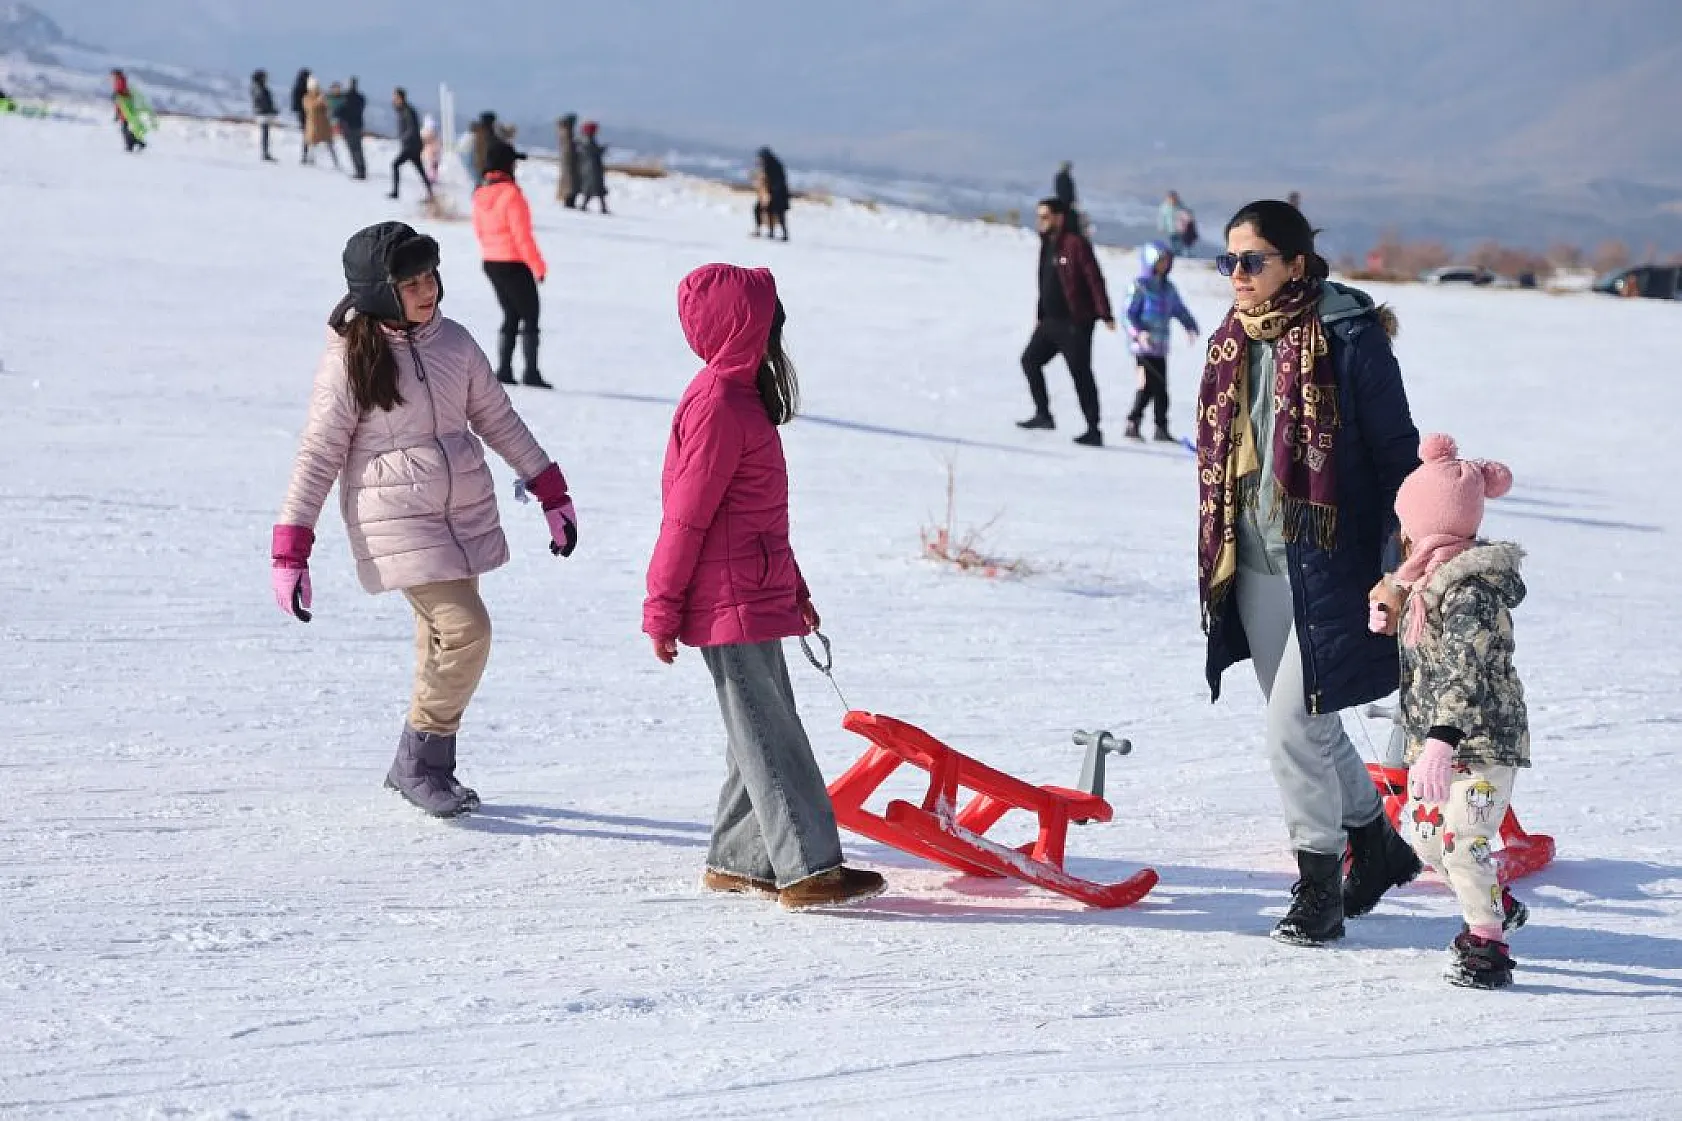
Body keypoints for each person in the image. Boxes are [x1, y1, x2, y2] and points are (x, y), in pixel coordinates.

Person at [271, 221, 578, 818]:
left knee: (441, 638)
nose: (426, 288)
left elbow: (497, 417)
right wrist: (291, 548)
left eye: (429, 274)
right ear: (381, 291)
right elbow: (318, 454)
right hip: (396, 518)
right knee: (467, 630)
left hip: (460, 508)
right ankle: (418, 759)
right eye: (409, 281)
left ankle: (428, 767)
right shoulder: (351, 360)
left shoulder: (453, 343)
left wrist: (549, 488)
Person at [1195, 199, 1422, 946]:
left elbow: (1398, 459)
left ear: (1296, 264)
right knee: (1313, 724)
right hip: (1254, 561)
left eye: (1253, 260)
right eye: (1228, 261)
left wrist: (1401, 567)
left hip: (1332, 564)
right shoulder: (1232, 341)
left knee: (1290, 729)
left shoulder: (1351, 341)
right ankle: (1380, 844)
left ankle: (1319, 887)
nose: (1238, 275)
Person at [644, 263, 886, 910]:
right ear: (743, 327)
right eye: (769, 318)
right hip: (726, 599)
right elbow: (686, 515)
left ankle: (741, 857)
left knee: (756, 728)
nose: (778, 330)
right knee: (771, 733)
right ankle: (807, 867)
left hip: (751, 591)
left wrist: (794, 590)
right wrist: (661, 607)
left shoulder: (740, 397)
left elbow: (755, 519)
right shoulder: (719, 404)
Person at [1368, 434, 1530, 989]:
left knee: (1464, 842)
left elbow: (1467, 671)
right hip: (1436, 744)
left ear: (1426, 524)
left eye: (1406, 521)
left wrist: (1440, 739)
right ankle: (1492, 900)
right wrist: (1391, 615)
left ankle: (1487, 947)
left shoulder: (1471, 593)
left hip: (1479, 745)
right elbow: (1426, 645)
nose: (1401, 533)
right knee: (1427, 837)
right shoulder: (1426, 582)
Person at [1015, 197, 1115, 447]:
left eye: (1045, 217)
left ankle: (1093, 429)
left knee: (1080, 374)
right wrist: (1040, 316)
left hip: (1075, 323)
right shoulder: (1047, 244)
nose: (1041, 222)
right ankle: (1043, 414)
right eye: (1039, 217)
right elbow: (1045, 283)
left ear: (1059, 217)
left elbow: (1094, 279)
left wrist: (1105, 314)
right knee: (1030, 360)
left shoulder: (1075, 245)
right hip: (1050, 322)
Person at [473, 141, 551, 389]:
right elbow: (522, 236)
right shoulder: (511, 194)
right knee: (530, 315)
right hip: (514, 262)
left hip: (491, 261)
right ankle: (530, 372)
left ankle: (505, 369)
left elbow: (480, 231)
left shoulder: (480, 193)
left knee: (510, 314)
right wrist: (538, 266)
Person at [1123, 241, 1199, 443]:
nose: (1165, 264)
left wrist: (1190, 326)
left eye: (1167, 260)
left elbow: (1179, 309)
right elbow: (1128, 314)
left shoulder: (1168, 288)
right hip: (1142, 348)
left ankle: (1160, 428)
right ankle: (1133, 423)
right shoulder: (1140, 285)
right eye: (1161, 260)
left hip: (1160, 348)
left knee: (1161, 388)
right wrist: (1139, 333)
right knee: (1146, 385)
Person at [388, 88, 434, 202]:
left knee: (395, 165)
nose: (393, 99)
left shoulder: (407, 111)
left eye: (395, 97)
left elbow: (412, 128)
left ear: (401, 98)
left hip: (411, 145)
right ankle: (431, 193)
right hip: (413, 145)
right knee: (420, 170)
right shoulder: (403, 110)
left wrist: (404, 137)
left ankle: (395, 192)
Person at [300, 77, 339, 168]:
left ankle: (335, 162)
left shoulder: (322, 95)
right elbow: (310, 108)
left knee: (329, 144)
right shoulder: (307, 97)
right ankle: (310, 160)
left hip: (324, 123)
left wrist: (325, 102)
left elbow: (328, 107)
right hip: (313, 123)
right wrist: (318, 101)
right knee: (312, 143)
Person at [752, 147, 790, 240]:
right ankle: (770, 232)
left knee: (779, 214)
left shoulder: (775, 165)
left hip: (779, 193)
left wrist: (774, 189)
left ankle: (784, 234)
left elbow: (780, 180)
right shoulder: (767, 165)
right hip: (770, 193)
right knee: (764, 210)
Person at [334, 77, 368, 180]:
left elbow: (339, 111)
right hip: (358, 125)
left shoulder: (345, 98)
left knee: (353, 150)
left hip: (348, 126)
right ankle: (362, 169)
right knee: (359, 149)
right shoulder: (361, 98)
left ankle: (359, 171)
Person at [110, 69, 149, 152]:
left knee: (125, 129)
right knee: (125, 129)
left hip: (125, 109)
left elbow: (122, 94)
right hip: (122, 109)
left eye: (113, 76)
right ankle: (134, 143)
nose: (111, 78)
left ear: (116, 75)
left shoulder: (120, 82)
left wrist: (117, 95)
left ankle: (134, 144)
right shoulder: (119, 82)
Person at [577, 121, 608, 214]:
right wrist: (602, 150)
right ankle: (600, 207)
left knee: (594, 188)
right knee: (595, 187)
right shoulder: (588, 141)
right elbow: (594, 153)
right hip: (592, 168)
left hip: (589, 167)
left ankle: (599, 207)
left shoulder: (584, 140)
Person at [251, 69, 278, 162]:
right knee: (265, 134)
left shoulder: (256, 88)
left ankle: (265, 152)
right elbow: (264, 102)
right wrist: (271, 110)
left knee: (265, 133)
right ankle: (265, 153)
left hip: (262, 113)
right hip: (264, 113)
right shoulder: (260, 89)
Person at [556, 114, 581, 207]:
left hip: (568, 162)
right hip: (569, 162)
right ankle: (569, 202)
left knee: (569, 182)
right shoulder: (566, 133)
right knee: (570, 183)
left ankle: (569, 200)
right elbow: (568, 148)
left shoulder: (565, 133)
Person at [289, 69, 311, 160]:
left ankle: (306, 154)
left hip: (301, 113)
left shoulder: (297, 86)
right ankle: (306, 154)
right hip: (306, 112)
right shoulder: (305, 87)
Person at [419, 114, 442, 183]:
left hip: (431, 151)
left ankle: (431, 178)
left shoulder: (423, 131)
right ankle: (431, 178)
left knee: (431, 165)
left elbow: (422, 140)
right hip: (432, 151)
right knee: (432, 165)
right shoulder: (434, 132)